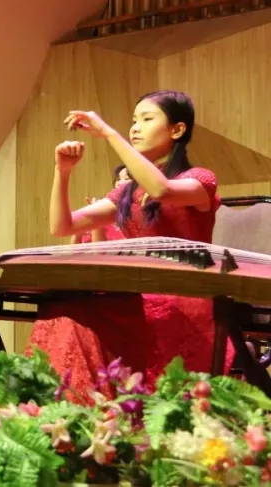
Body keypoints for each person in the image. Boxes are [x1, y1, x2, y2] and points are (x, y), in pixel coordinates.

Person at [30, 90, 230, 399]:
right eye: (133, 121)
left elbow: (162, 190)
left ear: (177, 129)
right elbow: (63, 226)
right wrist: (63, 171)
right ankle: (71, 413)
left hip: (182, 302)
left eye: (147, 119)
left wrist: (108, 133)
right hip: (133, 300)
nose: (135, 128)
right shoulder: (127, 193)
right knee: (65, 312)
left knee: (80, 317)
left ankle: (98, 408)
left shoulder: (199, 179)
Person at [70, 165, 130, 244]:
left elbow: (100, 250)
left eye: (126, 178)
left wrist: (96, 221)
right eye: (118, 179)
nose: (119, 183)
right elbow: (75, 249)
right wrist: (78, 233)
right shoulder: (105, 210)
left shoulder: (134, 217)